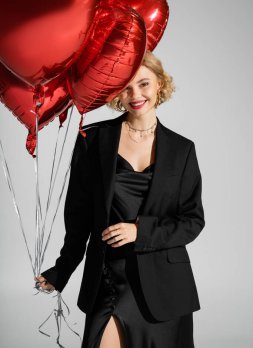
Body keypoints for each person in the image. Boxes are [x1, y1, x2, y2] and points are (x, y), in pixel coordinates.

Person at [36, 50, 205, 348]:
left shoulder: (183, 149)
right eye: (126, 87)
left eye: (144, 84)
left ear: (160, 85)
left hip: (165, 286)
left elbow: (192, 222)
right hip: (109, 279)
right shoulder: (93, 141)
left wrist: (140, 232)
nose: (135, 94)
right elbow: (78, 217)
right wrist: (61, 271)